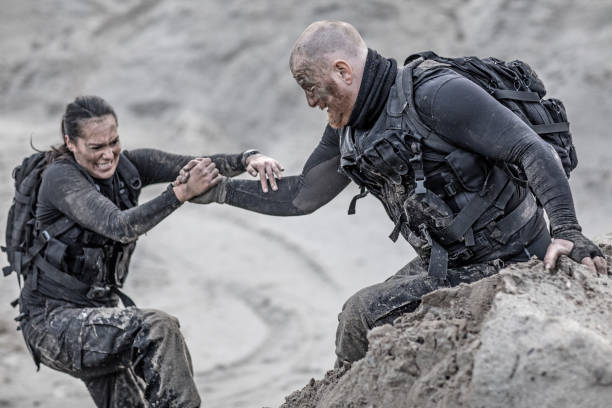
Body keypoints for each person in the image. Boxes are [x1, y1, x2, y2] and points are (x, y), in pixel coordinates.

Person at [183, 20, 608, 366]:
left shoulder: (433, 93)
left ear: (342, 71)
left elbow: (532, 149)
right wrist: (221, 192)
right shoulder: (350, 128)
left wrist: (568, 229)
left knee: (360, 314)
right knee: (359, 325)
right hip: (454, 261)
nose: (310, 101)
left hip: (513, 257)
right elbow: (303, 195)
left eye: (309, 86)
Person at [16, 95, 283, 407]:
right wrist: (181, 192)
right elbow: (118, 225)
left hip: (99, 316)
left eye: (113, 142)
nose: (107, 154)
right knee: (157, 328)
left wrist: (248, 159)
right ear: (71, 143)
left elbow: (197, 164)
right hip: (52, 323)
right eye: (95, 147)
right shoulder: (60, 178)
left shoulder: (128, 167)